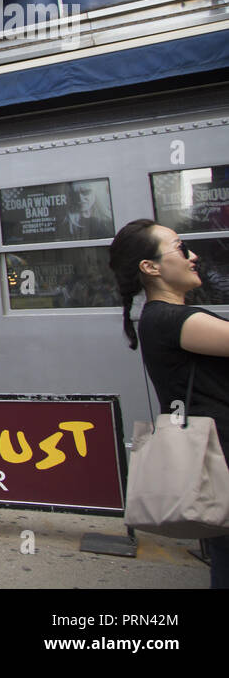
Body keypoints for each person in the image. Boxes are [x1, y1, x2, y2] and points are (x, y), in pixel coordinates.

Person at [109, 219, 229, 588]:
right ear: (151, 267)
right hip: (220, 455)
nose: (193, 257)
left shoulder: (161, 318)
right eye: (181, 248)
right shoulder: (171, 319)